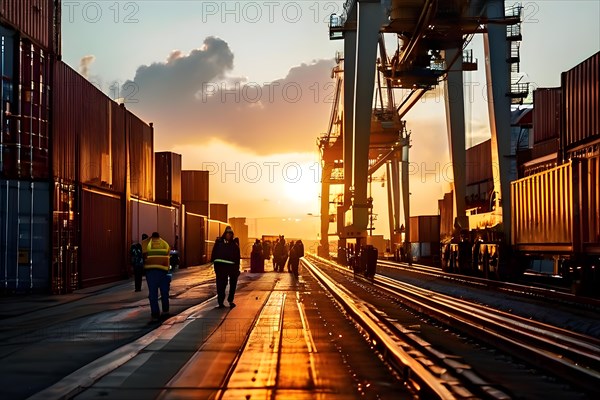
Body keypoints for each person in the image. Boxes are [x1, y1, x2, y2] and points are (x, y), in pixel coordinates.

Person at [143, 232, 171, 322]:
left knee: (153, 294)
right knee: (164, 292)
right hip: (163, 271)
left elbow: (144, 254)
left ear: (152, 236)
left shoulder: (147, 243)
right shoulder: (165, 244)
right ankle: (165, 311)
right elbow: (168, 255)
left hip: (151, 271)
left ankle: (155, 315)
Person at [211, 226, 241, 308]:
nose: (229, 235)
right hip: (221, 267)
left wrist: (237, 269)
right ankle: (220, 302)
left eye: (230, 234)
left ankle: (230, 300)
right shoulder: (219, 243)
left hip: (231, 267)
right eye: (228, 233)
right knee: (221, 285)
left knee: (232, 284)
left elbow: (237, 257)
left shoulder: (233, 245)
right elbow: (214, 255)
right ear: (225, 234)